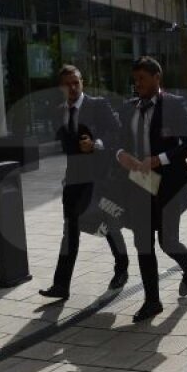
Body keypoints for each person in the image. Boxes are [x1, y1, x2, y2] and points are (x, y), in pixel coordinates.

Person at [115, 56, 187, 323]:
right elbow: (119, 142)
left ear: (156, 78)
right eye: (134, 79)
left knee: (167, 242)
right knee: (143, 244)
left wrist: (158, 159)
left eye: (142, 78)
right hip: (139, 184)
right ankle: (152, 301)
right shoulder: (128, 108)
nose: (136, 83)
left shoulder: (173, 104)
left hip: (168, 185)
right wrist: (120, 155)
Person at [39, 64, 129, 302]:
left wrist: (97, 143)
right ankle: (61, 285)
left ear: (82, 83)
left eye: (75, 82)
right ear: (61, 87)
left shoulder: (98, 105)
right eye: (67, 84)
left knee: (108, 224)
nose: (72, 87)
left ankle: (122, 268)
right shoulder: (59, 112)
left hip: (100, 180)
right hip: (74, 182)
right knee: (69, 231)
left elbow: (118, 132)